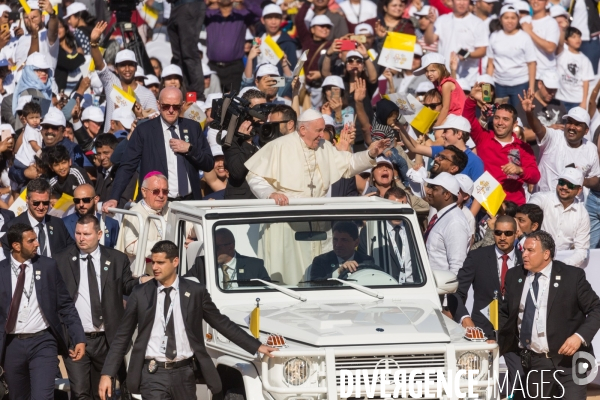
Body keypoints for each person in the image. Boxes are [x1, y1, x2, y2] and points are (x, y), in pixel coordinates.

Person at [98, 240, 276, 400]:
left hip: (184, 374)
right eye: (153, 262)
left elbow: (221, 323)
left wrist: (257, 346)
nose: (155, 268)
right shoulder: (140, 293)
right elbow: (122, 336)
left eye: (161, 262)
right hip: (153, 373)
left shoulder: (195, 291)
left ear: (175, 262)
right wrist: (107, 374)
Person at [55, 214, 149, 400]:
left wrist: (143, 281)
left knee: (103, 393)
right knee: (80, 392)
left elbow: (126, 285)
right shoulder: (61, 259)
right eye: (78, 233)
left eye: (87, 234)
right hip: (76, 338)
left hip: (107, 339)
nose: (81, 238)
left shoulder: (116, 259)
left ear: (99, 234)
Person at [499, 231, 600, 399]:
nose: (524, 254)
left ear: (546, 254)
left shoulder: (571, 276)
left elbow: (597, 308)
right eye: (523, 250)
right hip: (536, 362)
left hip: (571, 361)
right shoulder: (515, 276)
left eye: (530, 250)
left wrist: (579, 336)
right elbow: (505, 313)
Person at [0, 222, 86, 400]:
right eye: (31, 241)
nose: (37, 244)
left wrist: (78, 337)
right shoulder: (1, 271)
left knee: (42, 397)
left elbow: (65, 304)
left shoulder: (47, 266)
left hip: (43, 342)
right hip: (11, 345)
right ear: (16, 246)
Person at [449, 215, 525, 397]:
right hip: (481, 332)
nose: (502, 237)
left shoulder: (526, 260)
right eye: (498, 232)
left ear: (516, 234)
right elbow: (456, 294)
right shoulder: (477, 257)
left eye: (508, 233)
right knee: (477, 386)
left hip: (515, 335)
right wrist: (466, 321)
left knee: (520, 382)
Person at [102, 87, 213, 210]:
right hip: (157, 205)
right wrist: (114, 197)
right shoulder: (144, 130)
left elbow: (208, 164)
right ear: (158, 104)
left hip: (190, 203)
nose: (171, 110)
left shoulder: (193, 128)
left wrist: (190, 149)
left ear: (182, 105)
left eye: (175, 107)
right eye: (166, 106)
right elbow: (127, 165)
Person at [245, 109, 389, 202]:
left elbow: (349, 164)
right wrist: (270, 194)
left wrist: (370, 153)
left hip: (319, 213)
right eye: (318, 130)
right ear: (302, 129)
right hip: (286, 214)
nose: (322, 135)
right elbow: (254, 175)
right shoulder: (279, 146)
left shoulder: (324, 146)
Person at [464, 83, 540, 205]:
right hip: (485, 204)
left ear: (515, 124)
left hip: (513, 205)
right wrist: (471, 99)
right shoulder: (483, 137)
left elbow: (535, 176)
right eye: (497, 118)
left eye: (505, 119)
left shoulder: (522, 147)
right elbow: (468, 120)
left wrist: (520, 170)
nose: (500, 122)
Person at [521, 93, 600, 194]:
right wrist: (529, 113)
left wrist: (582, 180)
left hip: (573, 206)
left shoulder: (591, 149)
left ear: (586, 131)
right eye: (569, 122)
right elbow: (539, 129)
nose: (572, 127)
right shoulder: (554, 137)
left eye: (577, 124)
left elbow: (596, 178)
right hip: (543, 201)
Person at [89, 22, 158, 133]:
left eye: (130, 65)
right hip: (110, 142)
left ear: (136, 67)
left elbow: (154, 124)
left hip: (134, 143)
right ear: (116, 69)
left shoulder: (147, 94)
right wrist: (93, 43)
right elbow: (99, 63)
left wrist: (139, 115)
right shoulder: (111, 82)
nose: (127, 69)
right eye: (122, 65)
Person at [529, 168, 590, 268]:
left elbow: (582, 250)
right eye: (561, 182)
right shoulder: (542, 198)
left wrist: (562, 265)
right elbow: (529, 210)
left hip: (563, 264)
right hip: (535, 257)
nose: (564, 187)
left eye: (570, 185)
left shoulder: (582, 214)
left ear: (579, 190)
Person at [1, 179, 74, 257]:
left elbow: (71, 250)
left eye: (45, 203)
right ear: (27, 199)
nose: (41, 207)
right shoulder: (12, 226)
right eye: (36, 203)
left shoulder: (58, 224)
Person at [399, 114, 484, 181]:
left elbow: (479, 195)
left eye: (446, 131)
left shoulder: (475, 162)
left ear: (459, 134)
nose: (442, 135)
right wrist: (400, 128)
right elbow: (415, 148)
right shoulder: (442, 150)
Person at [423, 0, 489, 86]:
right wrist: (431, 24)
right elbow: (429, 41)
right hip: (444, 78)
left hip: (468, 81)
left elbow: (482, 50)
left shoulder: (478, 23)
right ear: (452, 1)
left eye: (465, 0)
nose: (461, 3)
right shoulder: (442, 20)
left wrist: (467, 54)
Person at [116, 173, 169, 274]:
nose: (161, 195)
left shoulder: (169, 209)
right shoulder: (135, 213)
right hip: (145, 270)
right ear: (144, 192)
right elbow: (131, 247)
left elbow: (189, 229)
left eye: (165, 191)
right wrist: (164, 246)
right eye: (156, 191)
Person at [486, 5, 537, 107]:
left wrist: (531, 88)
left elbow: (531, 64)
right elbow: (490, 64)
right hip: (499, 84)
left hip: (520, 84)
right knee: (499, 113)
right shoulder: (494, 36)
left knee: (519, 116)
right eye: (506, 18)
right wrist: (487, 88)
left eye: (513, 18)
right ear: (501, 19)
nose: (510, 21)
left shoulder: (524, 37)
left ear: (518, 19)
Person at [205, 0, 259, 93]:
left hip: (234, 68)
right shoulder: (209, 15)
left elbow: (261, 15)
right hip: (213, 67)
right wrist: (207, 2)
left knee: (234, 102)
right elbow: (190, 15)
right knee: (212, 101)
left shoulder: (242, 15)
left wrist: (244, 1)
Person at [423, 172, 471, 275]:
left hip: (443, 289)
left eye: (434, 189)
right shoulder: (442, 217)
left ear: (447, 195)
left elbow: (457, 266)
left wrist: (451, 290)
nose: (429, 192)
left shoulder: (455, 222)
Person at [223, 90, 265, 200]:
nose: (263, 113)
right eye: (258, 109)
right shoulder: (231, 139)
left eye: (264, 108)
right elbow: (237, 172)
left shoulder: (269, 134)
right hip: (243, 200)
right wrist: (247, 143)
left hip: (267, 199)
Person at [310, 221, 375, 280]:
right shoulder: (321, 261)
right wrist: (338, 272)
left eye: (344, 240)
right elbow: (314, 284)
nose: (338, 244)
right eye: (335, 239)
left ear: (356, 243)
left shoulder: (366, 261)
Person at [414, 52, 465, 125]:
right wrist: (421, 98)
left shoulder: (446, 84)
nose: (429, 74)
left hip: (457, 116)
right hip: (452, 115)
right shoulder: (438, 82)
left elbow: (445, 108)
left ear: (443, 68)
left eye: (432, 70)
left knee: (437, 133)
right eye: (426, 71)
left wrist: (437, 126)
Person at [167, 0, 205, 96]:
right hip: (175, 6)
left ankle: (196, 95)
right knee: (177, 55)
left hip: (188, 5)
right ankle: (184, 92)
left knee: (189, 53)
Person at [63, 184, 120, 248]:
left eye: (86, 200)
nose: (81, 204)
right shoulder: (64, 223)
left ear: (96, 199)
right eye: (77, 201)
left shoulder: (112, 224)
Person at [555, 27, 595, 111]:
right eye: (573, 37)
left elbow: (585, 82)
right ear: (566, 40)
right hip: (561, 98)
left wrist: (584, 102)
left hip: (577, 100)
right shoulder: (562, 54)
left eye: (579, 36)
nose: (577, 39)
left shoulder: (584, 60)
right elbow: (560, 43)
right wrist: (563, 29)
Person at [13, 0, 59, 71]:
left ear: (42, 18)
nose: (30, 20)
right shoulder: (22, 38)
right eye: (26, 18)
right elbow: (18, 63)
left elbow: (53, 31)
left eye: (34, 17)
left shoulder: (46, 35)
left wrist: (52, 14)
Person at [522, 0, 560, 80]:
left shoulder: (551, 22)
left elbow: (550, 48)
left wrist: (529, 32)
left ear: (546, 3)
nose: (535, 1)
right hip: (525, 75)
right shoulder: (524, 20)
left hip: (545, 75)